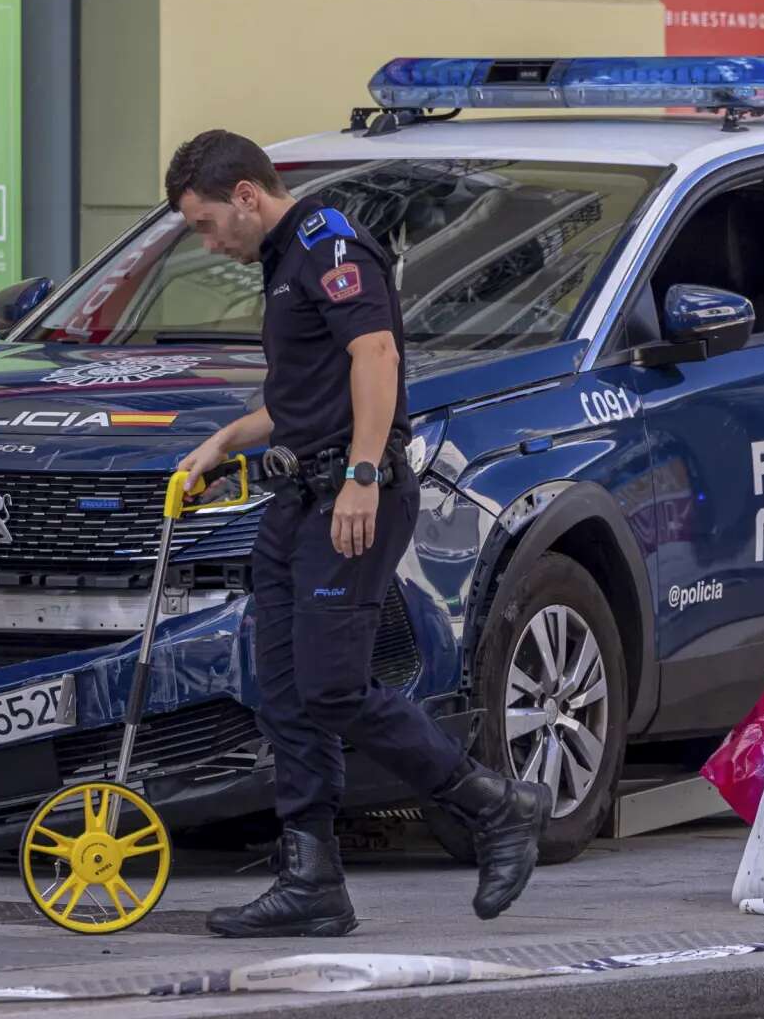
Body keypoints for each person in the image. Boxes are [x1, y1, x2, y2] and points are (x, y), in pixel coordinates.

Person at [171, 130, 551, 937]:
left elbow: (375, 356)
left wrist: (363, 475)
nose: (206, 242)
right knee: (286, 694)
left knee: (335, 687)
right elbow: (310, 398)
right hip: (299, 500)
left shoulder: (326, 242)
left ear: (245, 194)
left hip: (351, 497)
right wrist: (226, 441)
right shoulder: (281, 261)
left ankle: (496, 804)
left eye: (205, 224)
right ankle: (311, 880)